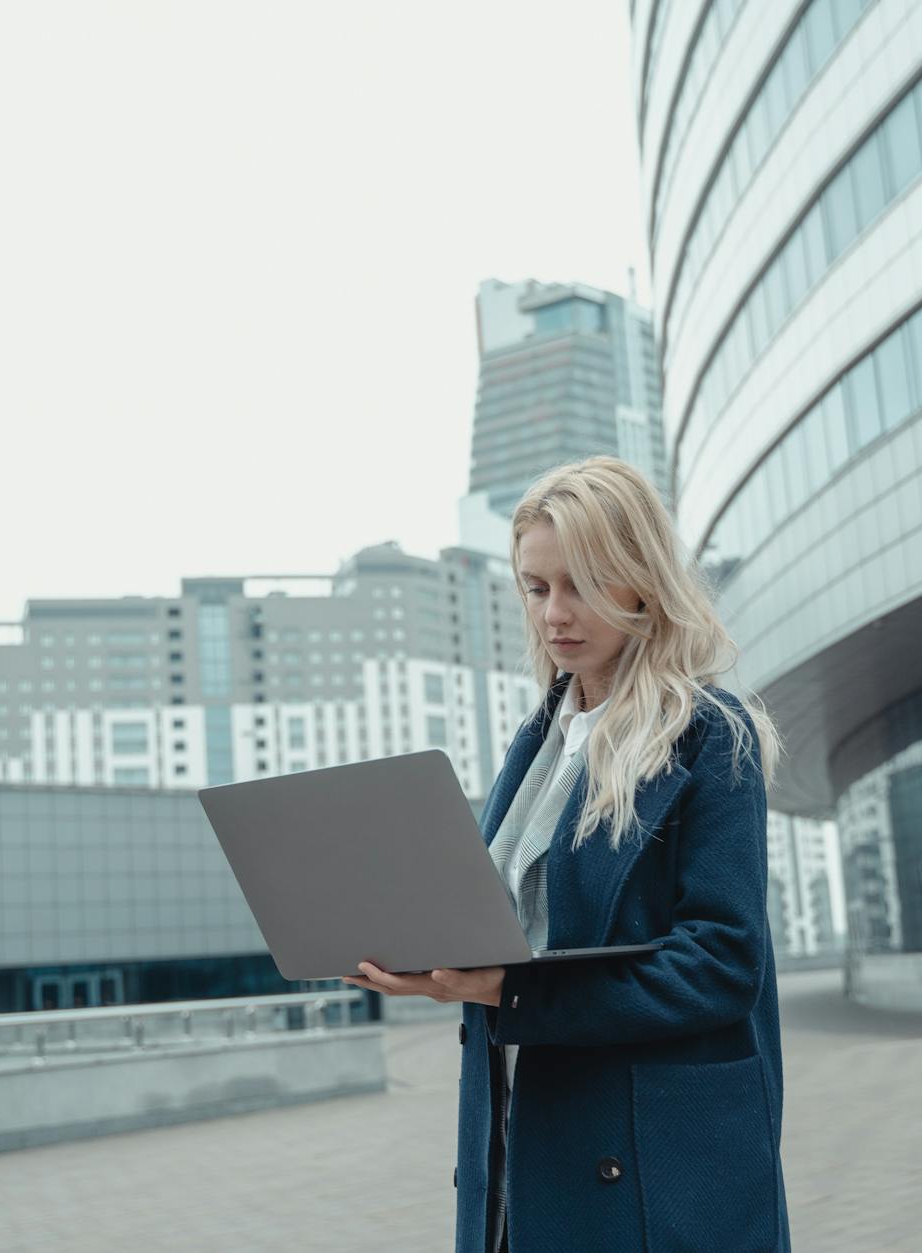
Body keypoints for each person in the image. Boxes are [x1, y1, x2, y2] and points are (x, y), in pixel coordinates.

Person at [343, 455, 791, 1252]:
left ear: (641, 580)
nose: (555, 613)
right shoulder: (539, 745)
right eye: (536, 586)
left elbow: (722, 963)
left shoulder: (711, 735)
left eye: (580, 582)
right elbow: (516, 935)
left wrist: (510, 993)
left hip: (652, 1164)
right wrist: (431, 961)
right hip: (530, 1139)